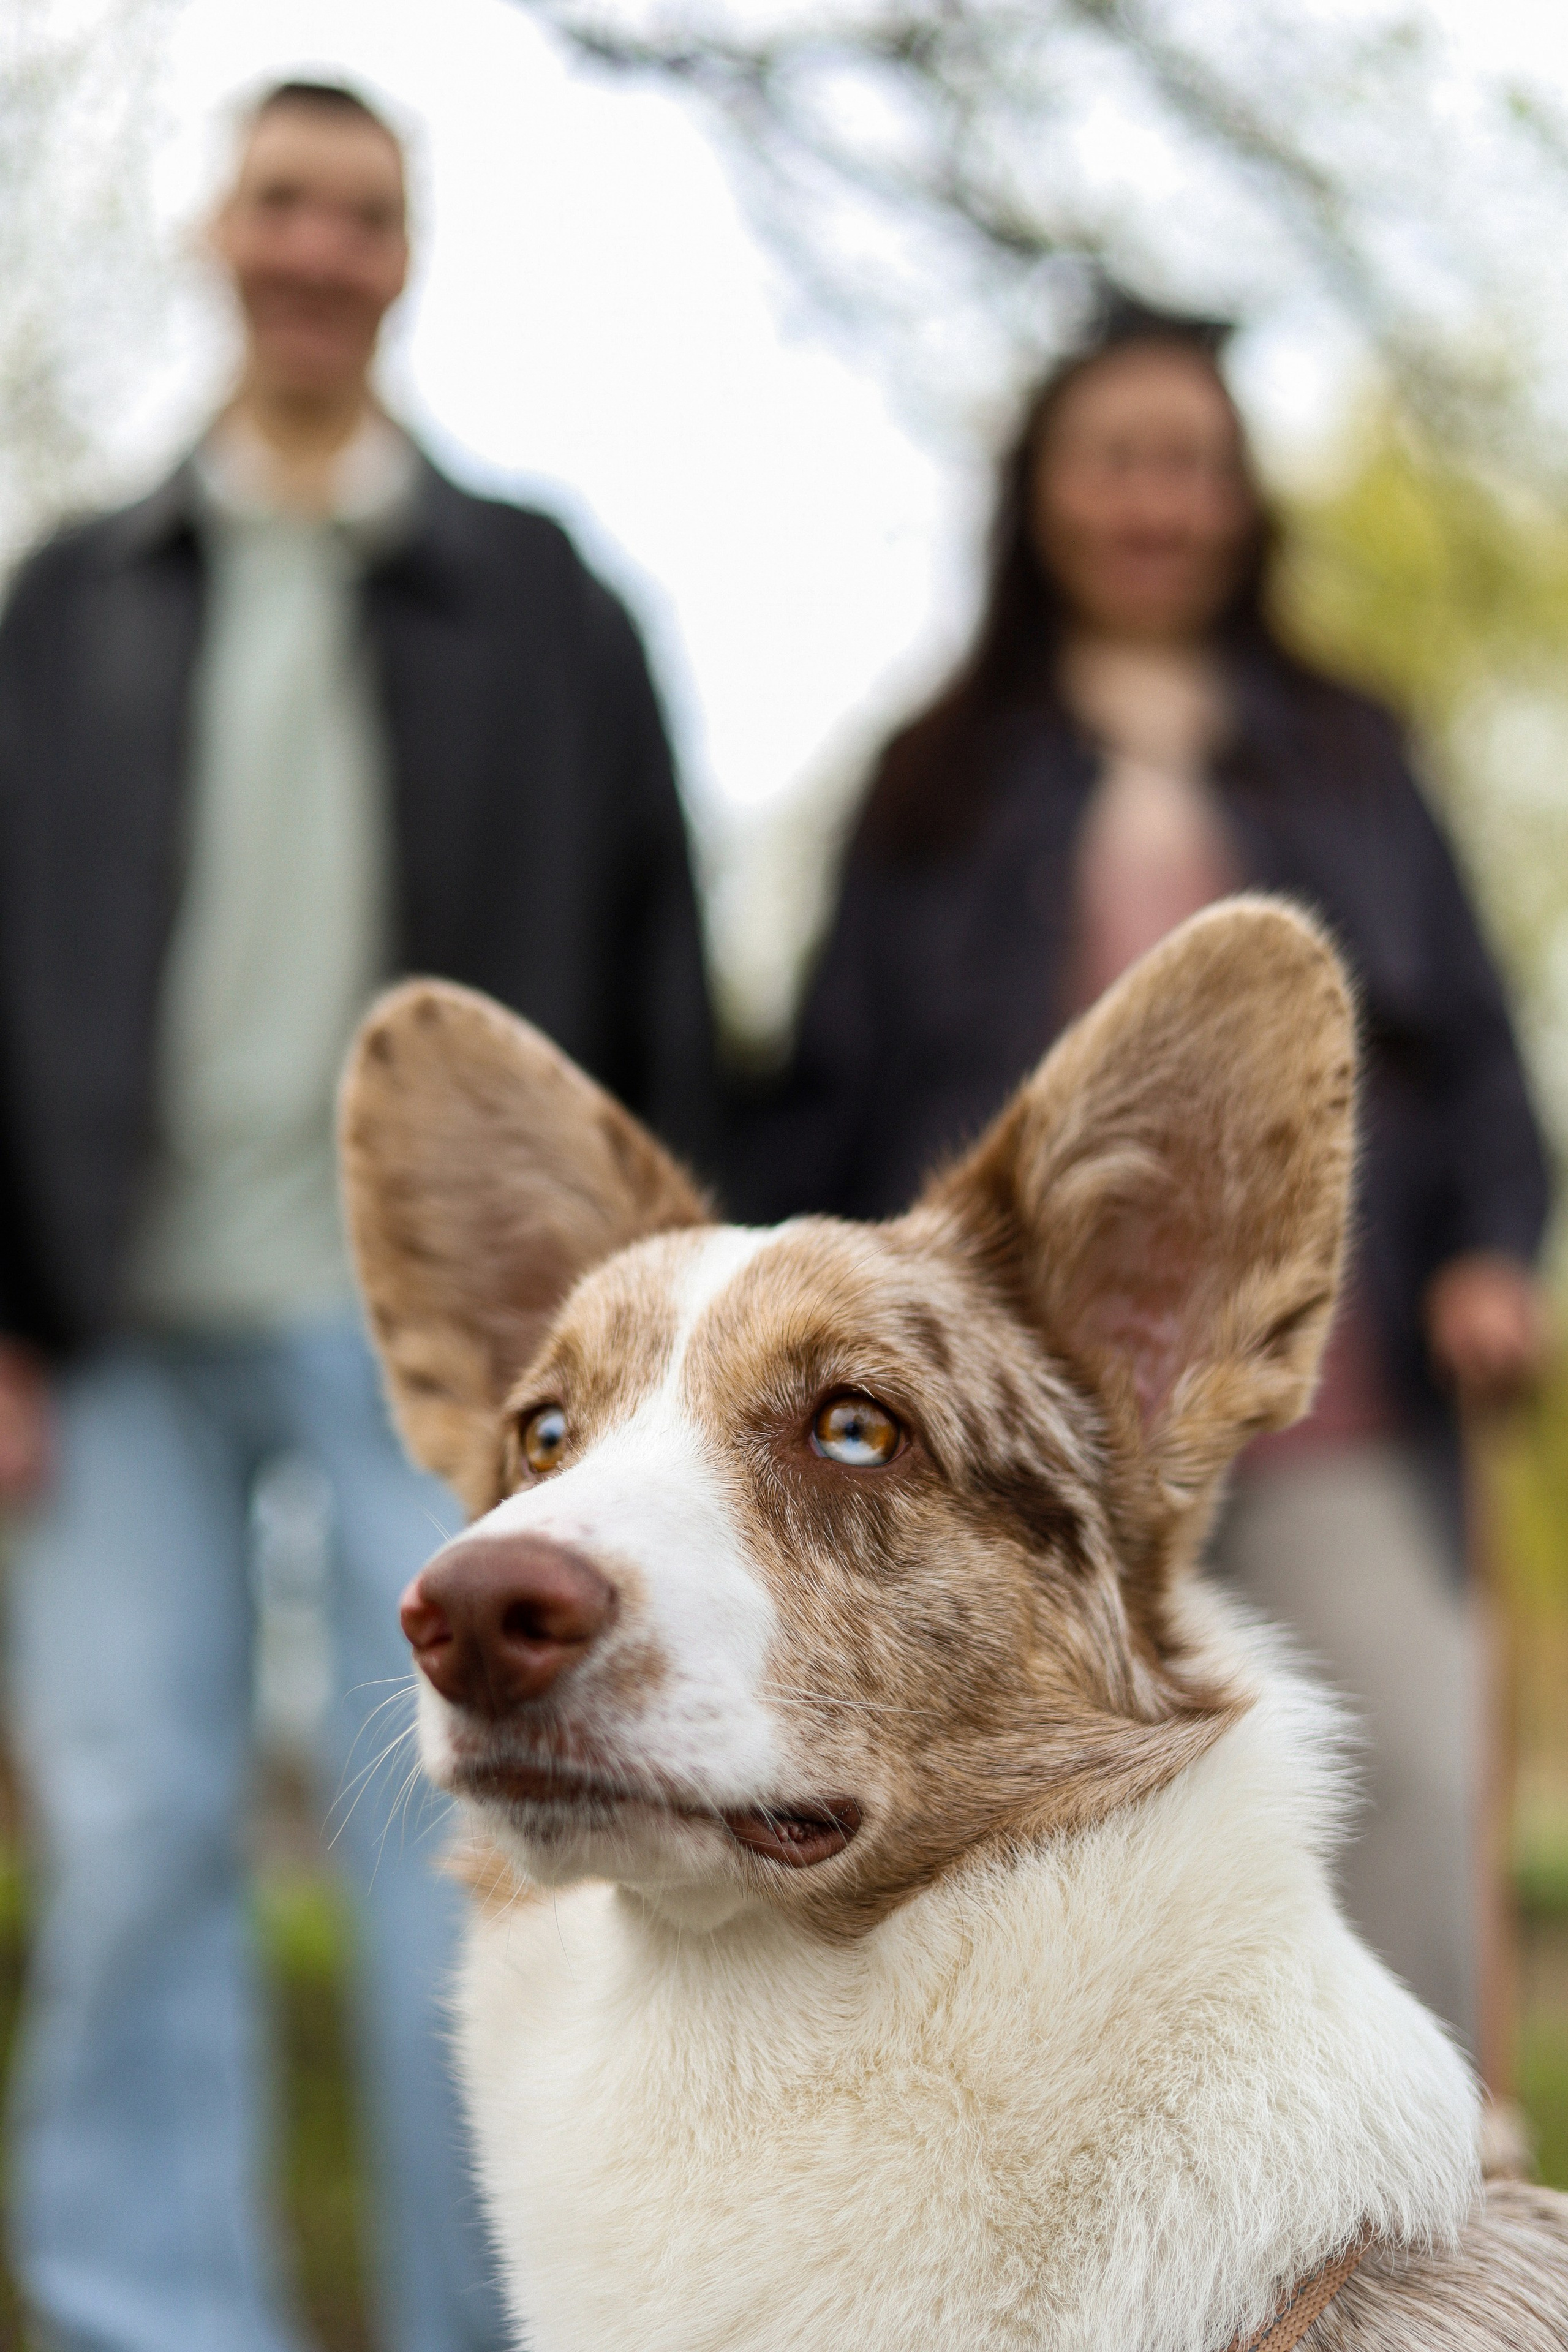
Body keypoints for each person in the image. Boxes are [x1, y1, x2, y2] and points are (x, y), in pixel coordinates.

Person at [0, 79, 715, 2352]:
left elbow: (658, 963)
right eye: (285, 205)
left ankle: (495, 2311)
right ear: (225, 235)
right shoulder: (67, 605)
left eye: (366, 215)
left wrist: (649, 1362)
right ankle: (143, 2319)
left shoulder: (542, 600)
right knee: (129, 1838)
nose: (319, 249)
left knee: (480, 1862)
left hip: (458, 1353)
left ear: (408, 259)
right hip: (103, 1325)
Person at [729, 296, 1552, 2057]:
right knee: (1009, 1817)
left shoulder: (1355, 750)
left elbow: (1471, 1047)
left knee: (1409, 1753)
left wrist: (1495, 1250)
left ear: (1241, 498)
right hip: (1007, 1431)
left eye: (1189, 465)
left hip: (1321, 1400)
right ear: (1043, 497)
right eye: (1116, 464)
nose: (1154, 503)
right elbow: (832, 1089)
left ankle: (1429, 2215)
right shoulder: (930, 777)